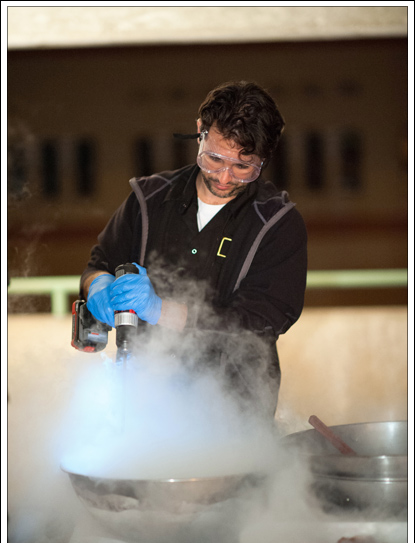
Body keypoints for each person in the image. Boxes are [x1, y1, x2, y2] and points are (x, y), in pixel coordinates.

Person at [81, 81, 307, 418]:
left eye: (243, 167)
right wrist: (99, 286)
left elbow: (259, 320)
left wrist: (161, 311)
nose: (224, 177)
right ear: (200, 131)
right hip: (145, 398)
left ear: (264, 158)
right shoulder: (148, 200)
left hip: (235, 411)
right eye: (213, 158)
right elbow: (100, 263)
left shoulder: (276, 224)